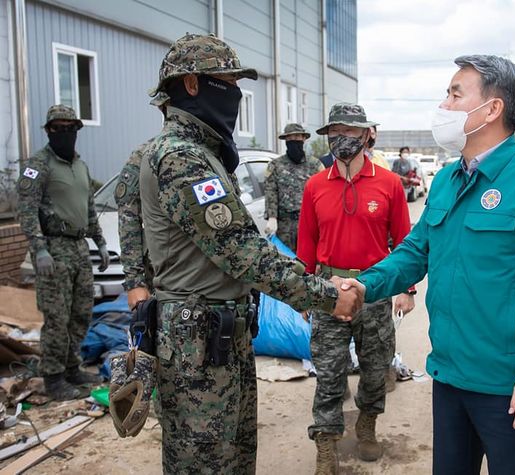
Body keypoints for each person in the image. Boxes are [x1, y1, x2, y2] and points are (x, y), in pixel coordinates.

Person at [343, 55, 515, 474]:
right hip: (450, 373)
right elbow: (415, 252)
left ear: (492, 109)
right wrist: (364, 286)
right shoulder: (448, 180)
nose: (445, 104)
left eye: (456, 93)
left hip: (508, 383)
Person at [138, 34, 361, 474]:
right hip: (196, 343)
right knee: (205, 462)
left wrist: (307, 278)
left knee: (235, 458)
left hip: (218, 335)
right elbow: (240, 251)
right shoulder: (182, 158)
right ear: (192, 84)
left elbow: (248, 243)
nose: (236, 92)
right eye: (227, 81)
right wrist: (324, 295)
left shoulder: (205, 153)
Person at [297, 103, 416, 474]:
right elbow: (305, 243)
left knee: (375, 366)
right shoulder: (315, 185)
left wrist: (406, 288)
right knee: (329, 371)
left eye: (351, 131)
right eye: (336, 131)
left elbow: (405, 241)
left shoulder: (389, 183)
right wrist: (303, 291)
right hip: (328, 292)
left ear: (366, 135)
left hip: (375, 289)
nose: (342, 138)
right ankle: (326, 442)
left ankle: (367, 424)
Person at [16, 104, 109, 400]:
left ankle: (72, 368)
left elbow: (89, 208)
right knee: (56, 316)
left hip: (79, 248)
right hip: (54, 250)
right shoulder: (38, 165)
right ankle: (54, 378)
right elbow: (27, 211)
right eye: (57, 128)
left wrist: (101, 241)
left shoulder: (80, 166)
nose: (64, 133)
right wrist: (39, 249)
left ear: (77, 130)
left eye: (70, 128)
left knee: (81, 313)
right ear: (48, 131)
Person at [115, 92, 169, 310]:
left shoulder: (214, 153)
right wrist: (135, 282)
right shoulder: (147, 155)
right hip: (161, 275)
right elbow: (128, 216)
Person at [264, 123, 323, 252]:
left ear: (303, 139)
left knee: (309, 260)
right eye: (290, 138)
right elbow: (271, 191)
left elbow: (324, 192)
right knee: (286, 261)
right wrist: (272, 217)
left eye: (297, 137)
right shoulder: (275, 165)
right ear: (285, 140)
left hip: (309, 222)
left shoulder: (315, 165)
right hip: (284, 224)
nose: (293, 140)